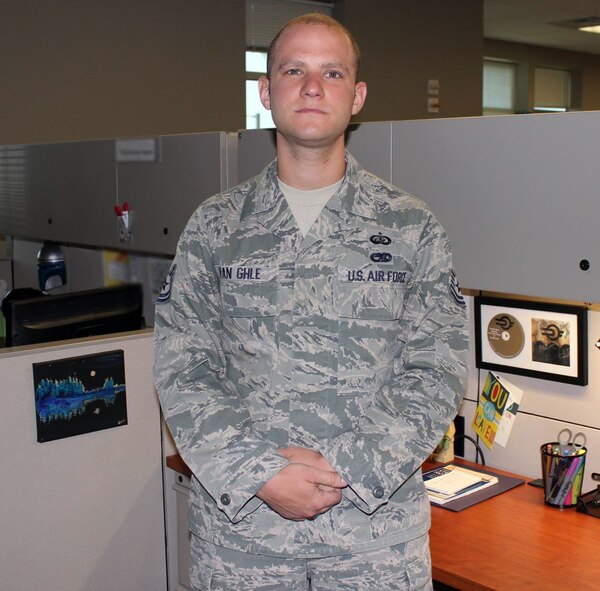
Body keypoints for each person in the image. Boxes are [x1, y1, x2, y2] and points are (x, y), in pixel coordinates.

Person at [153, 13, 468, 591]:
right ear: (266, 91)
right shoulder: (215, 227)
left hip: (373, 541)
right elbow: (183, 367)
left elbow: (437, 370)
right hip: (245, 534)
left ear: (357, 96)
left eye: (332, 72)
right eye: (294, 70)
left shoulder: (411, 226)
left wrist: (346, 468)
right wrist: (261, 472)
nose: (313, 86)